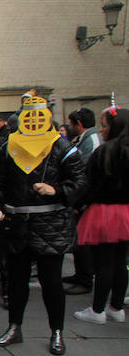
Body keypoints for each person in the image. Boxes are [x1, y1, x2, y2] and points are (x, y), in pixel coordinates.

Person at [0, 93, 86, 355]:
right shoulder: (9, 147)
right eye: (27, 116)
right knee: (16, 280)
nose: (32, 121)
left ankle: (57, 331)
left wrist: (57, 190)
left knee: (51, 281)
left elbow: (80, 182)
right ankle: (14, 327)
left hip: (50, 224)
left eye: (37, 116)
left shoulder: (62, 148)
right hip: (16, 223)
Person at [72, 107, 128, 325]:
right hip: (127, 212)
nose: (102, 129)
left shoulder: (104, 152)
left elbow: (90, 185)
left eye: (105, 125)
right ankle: (116, 308)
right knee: (121, 261)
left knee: (104, 262)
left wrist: (78, 204)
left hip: (104, 211)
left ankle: (97, 310)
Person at [63, 107, 103, 295]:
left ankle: (85, 279)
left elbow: (86, 175)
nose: (69, 127)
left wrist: (80, 202)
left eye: (70, 124)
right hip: (82, 201)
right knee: (78, 240)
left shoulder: (93, 142)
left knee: (84, 241)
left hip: (88, 202)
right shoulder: (84, 140)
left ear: (78, 124)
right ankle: (80, 274)